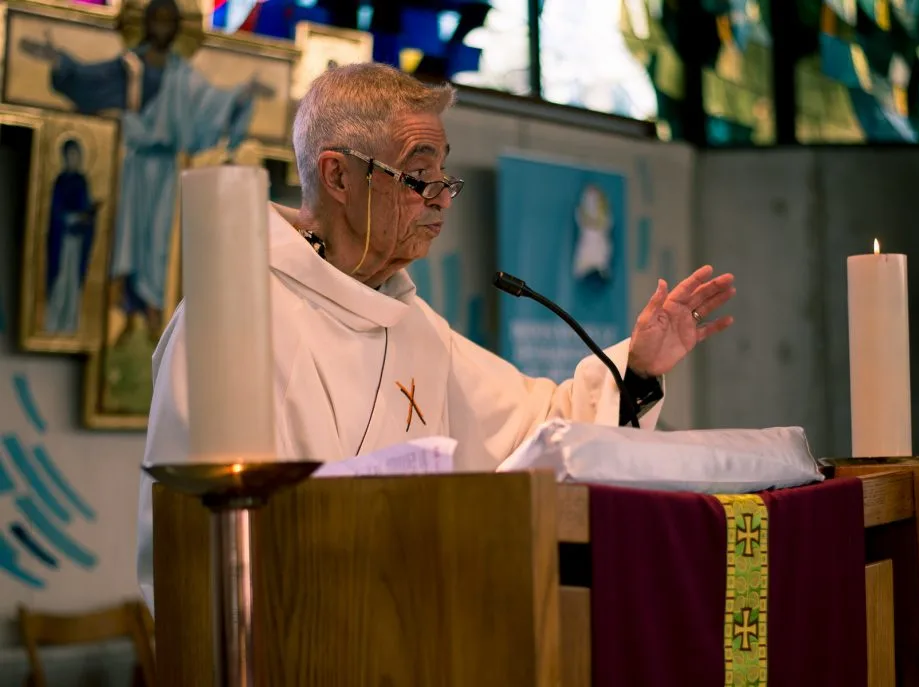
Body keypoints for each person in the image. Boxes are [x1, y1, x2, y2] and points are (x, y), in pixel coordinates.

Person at [135, 62, 736, 611]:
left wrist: (639, 369)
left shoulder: (414, 327)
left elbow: (541, 430)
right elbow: (196, 547)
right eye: (419, 175)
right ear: (338, 175)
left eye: (444, 173)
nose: (442, 196)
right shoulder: (233, 326)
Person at [20, 0, 276, 342]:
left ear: (177, 28)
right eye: (156, 19)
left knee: (158, 246)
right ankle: (121, 312)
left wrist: (243, 95)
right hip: (132, 168)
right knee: (126, 237)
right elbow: (88, 79)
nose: (161, 27)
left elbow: (212, 105)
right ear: (145, 24)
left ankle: (153, 315)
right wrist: (60, 61)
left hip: (167, 176)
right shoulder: (128, 67)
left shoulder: (183, 77)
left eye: (169, 21)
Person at [44, 138, 100, 334]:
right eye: (71, 155)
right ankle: (52, 325)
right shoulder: (60, 181)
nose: (74, 159)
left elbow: (86, 211)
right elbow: (55, 214)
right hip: (62, 242)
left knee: (72, 286)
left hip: (77, 243)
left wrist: (88, 217)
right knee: (60, 284)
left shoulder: (82, 182)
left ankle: (69, 327)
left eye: (77, 155)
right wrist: (72, 218)